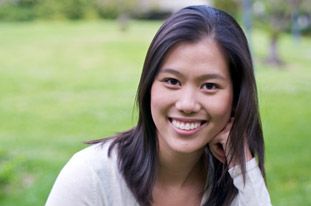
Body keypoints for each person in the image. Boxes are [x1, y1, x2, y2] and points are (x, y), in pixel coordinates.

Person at [46, 5, 271, 206]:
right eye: (172, 81)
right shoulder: (91, 177)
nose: (187, 104)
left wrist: (245, 168)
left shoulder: (237, 185)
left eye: (209, 86)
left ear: (237, 96)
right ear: (149, 86)